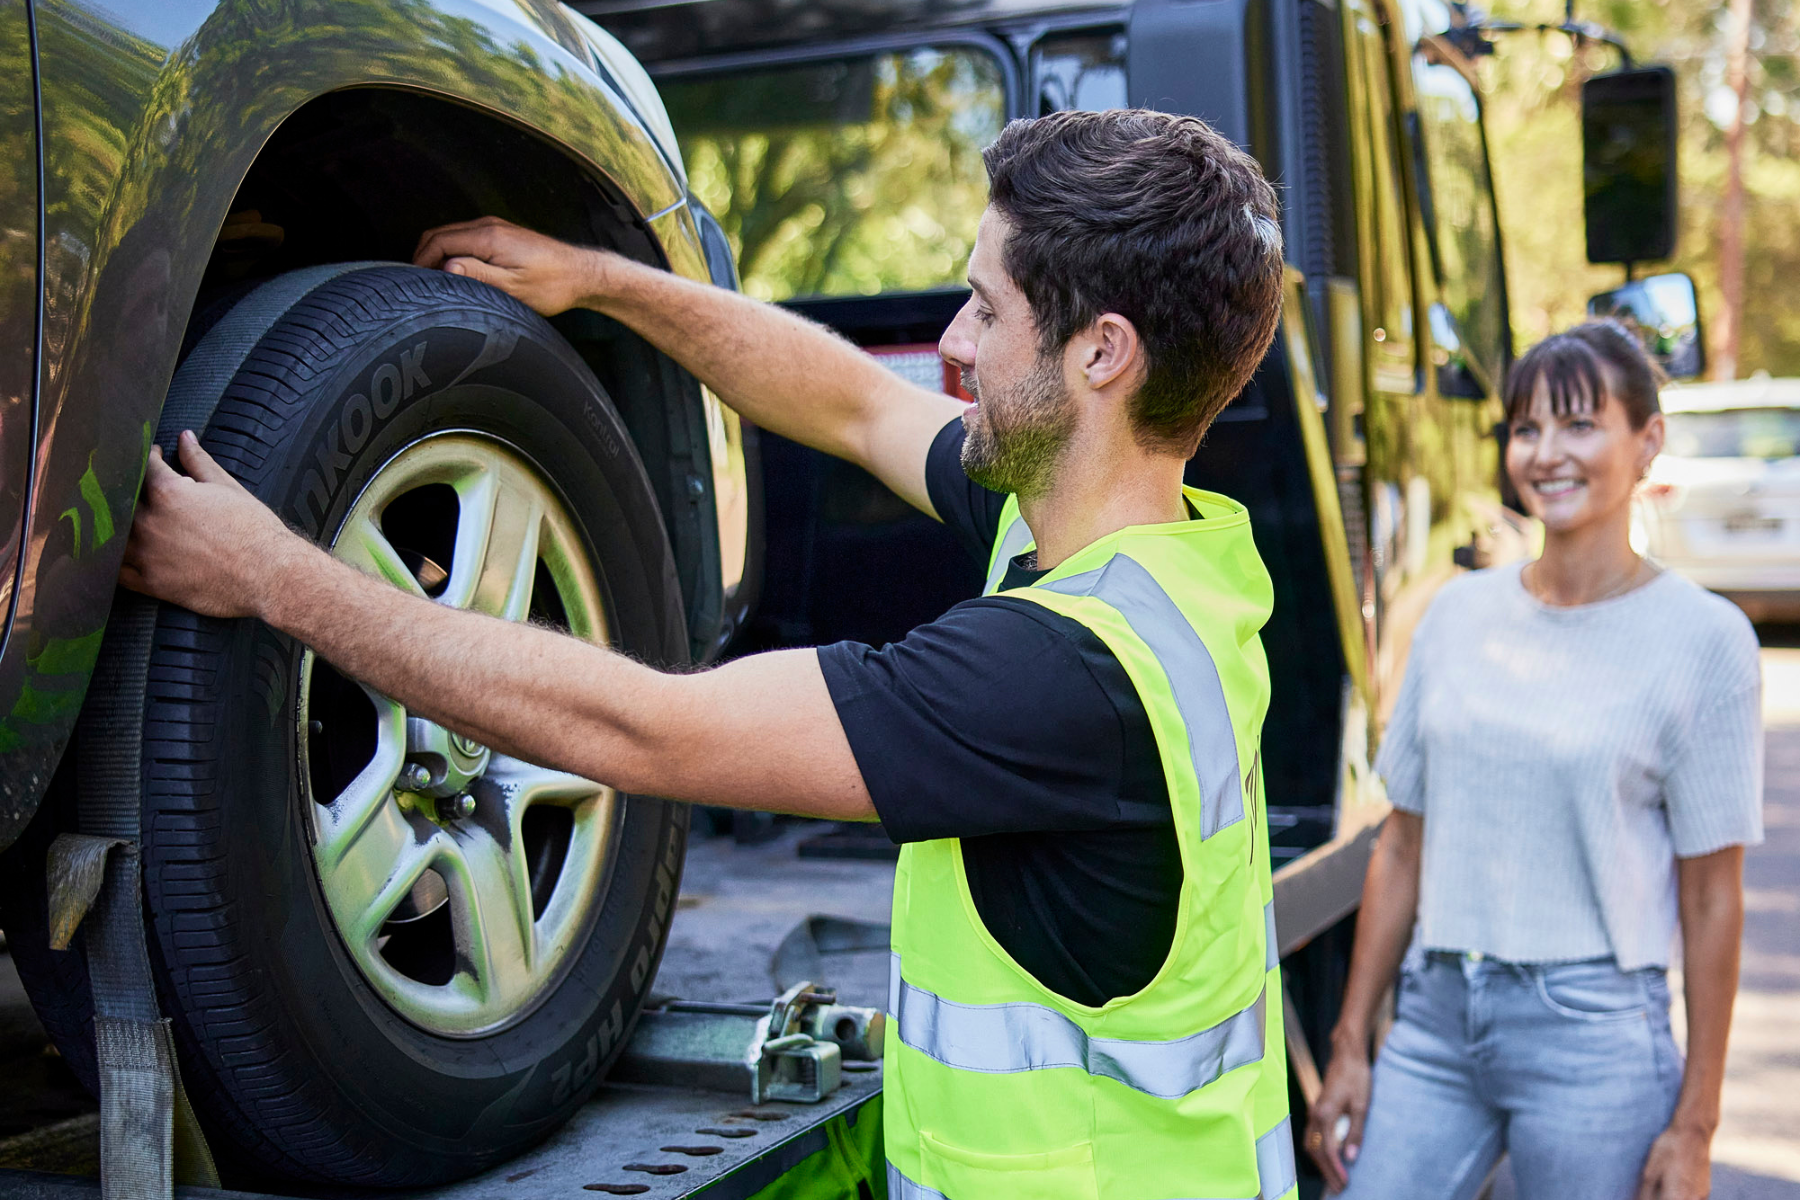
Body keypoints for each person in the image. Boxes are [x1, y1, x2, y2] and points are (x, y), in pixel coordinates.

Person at [121, 110, 1299, 1200]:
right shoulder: (1149, 557)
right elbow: (851, 405)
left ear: (1102, 355)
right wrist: (607, 281)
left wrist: (270, 575)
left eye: (987, 311)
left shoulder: (1060, 677)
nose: (950, 343)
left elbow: (643, 730)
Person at [1305, 321, 1763, 1200]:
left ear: (1648, 441)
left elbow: (1712, 898)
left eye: (1580, 425)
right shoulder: (1455, 615)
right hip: (1436, 1017)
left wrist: (1696, 1124)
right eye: (1526, 428)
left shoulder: (1706, 640)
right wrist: (1352, 1040)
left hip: (1594, 1038)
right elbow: (1402, 847)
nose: (1547, 453)